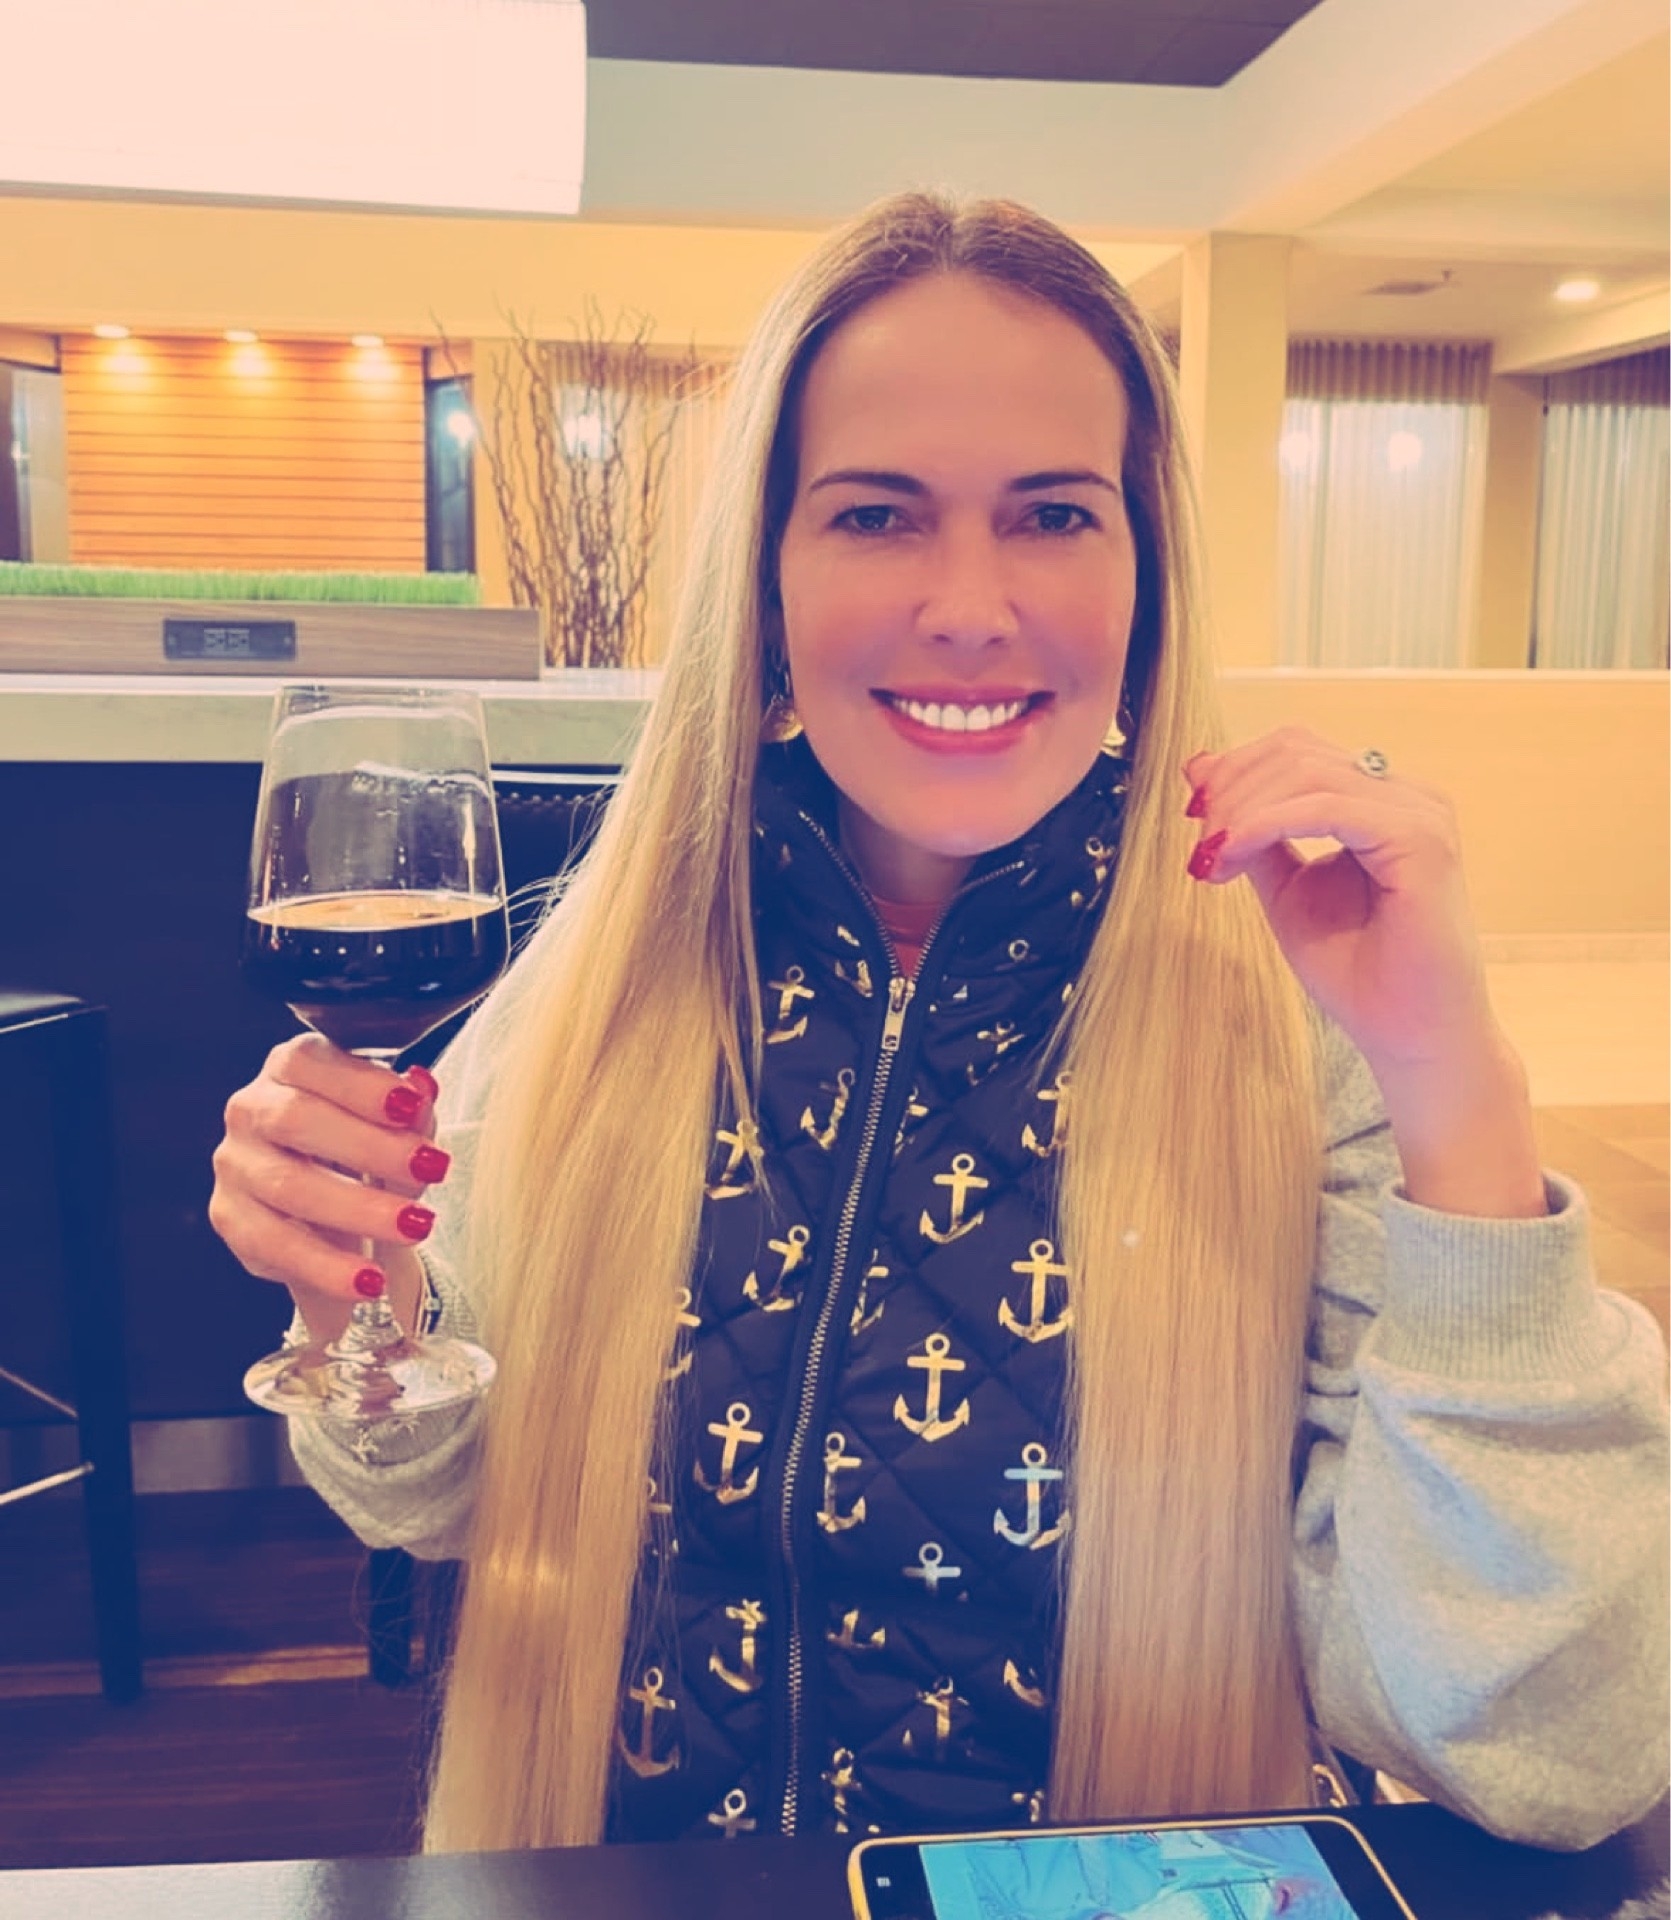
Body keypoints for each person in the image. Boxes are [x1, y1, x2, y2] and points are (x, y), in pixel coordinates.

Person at [208, 191, 1669, 1859]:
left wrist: (1455, 1090)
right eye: (876, 515)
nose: (971, 604)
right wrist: (362, 1298)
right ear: (766, 576)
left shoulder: (1290, 1041)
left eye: (1053, 515)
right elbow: (434, 1495)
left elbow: (1545, 1757)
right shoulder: (597, 980)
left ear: (1145, 576)